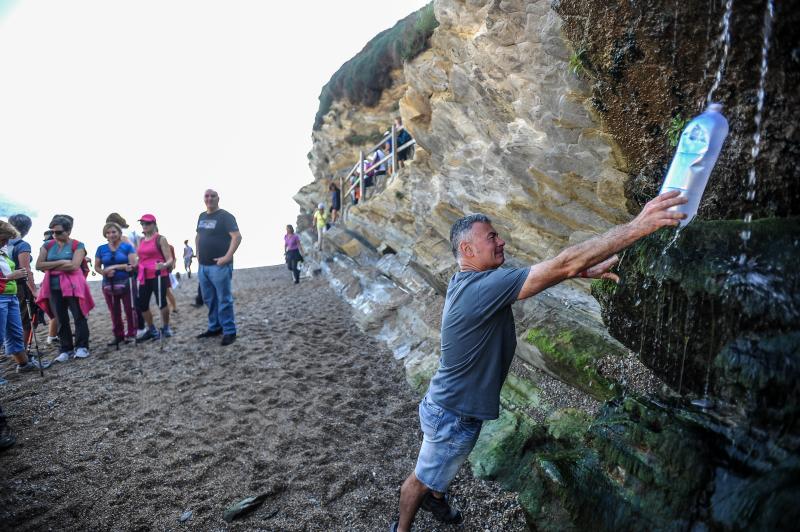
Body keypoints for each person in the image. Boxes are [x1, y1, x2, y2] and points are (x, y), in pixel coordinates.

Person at [389, 191, 689, 531]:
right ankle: (402, 526)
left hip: (454, 408)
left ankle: (436, 498)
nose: (501, 241)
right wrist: (638, 226)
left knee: (443, 466)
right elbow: (563, 262)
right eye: (492, 237)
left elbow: (553, 272)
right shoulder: (481, 289)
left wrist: (578, 272)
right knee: (418, 480)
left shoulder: (473, 282)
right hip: (451, 414)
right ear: (467, 250)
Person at [35, 215, 94, 363]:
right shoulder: (48, 245)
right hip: (53, 287)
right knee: (60, 319)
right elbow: (38, 265)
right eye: (53, 232)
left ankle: (82, 347)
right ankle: (65, 349)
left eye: (59, 232)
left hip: (73, 286)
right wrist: (62, 262)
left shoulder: (78, 245)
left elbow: (74, 265)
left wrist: (51, 264)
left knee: (79, 316)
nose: (55, 235)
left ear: (68, 231)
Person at [196, 189, 241, 346]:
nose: (209, 199)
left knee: (224, 299)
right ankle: (215, 327)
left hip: (219, 266)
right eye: (207, 196)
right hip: (203, 266)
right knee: (209, 299)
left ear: (218, 198)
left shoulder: (225, 216)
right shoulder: (202, 216)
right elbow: (198, 236)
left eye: (212, 196)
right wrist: (198, 255)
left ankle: (229, 331)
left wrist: (228, 257)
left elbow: (237, 236)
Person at [1, 220, 46, 373]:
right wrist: (10, 277)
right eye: (4, 239)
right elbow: (18, 271)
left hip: (11, 295)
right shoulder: (20, 246)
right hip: (4, 296)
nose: (6, 242)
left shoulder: (4, 250)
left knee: (14, 332)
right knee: (5, 333)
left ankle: (23, 364)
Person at [94, 222, 137, 346]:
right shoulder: (101, 249)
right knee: (114, 311)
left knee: (129, 309)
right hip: (109, 283)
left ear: (119, 233)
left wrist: (116, 266)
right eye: (108, 232)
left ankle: (131, 333)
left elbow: (133, 264)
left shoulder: (127, 247)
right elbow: (97, 267)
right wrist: (104, 272)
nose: (111, 235)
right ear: (105, 235)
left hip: (126, 282)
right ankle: (118, 335)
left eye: (114, 232)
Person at [106, 212, 146, 338]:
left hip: (128, 270)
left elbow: (131, 249)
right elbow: (139, 247)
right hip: (135, 266)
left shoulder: (123, 235)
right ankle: (139, 327)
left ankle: (139, 327)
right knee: (134, 300)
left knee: (132, 302)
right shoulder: (132, 231)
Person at [135, 214, 173, 342]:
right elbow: (140, 257)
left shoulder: (160, 239)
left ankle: (166, 327)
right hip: (144, 276)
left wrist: (163, 265)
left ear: (154, 224)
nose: (145, 226)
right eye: (143, 223)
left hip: (158, 275)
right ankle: (152, 329)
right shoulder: (141, 240)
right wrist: (134, 264)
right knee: (142, 304)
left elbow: (169, 259)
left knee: (161, 302)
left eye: (147, 223)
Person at [7, 214, 37, 348]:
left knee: (10, 321)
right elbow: (26, 270)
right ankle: (23, 353)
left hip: (4, 286)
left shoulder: (4, 243)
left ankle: (16, 352)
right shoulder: (22, 245)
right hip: (20, 287)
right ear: (27, 229)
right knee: (26, 321)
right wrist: (35, 291)